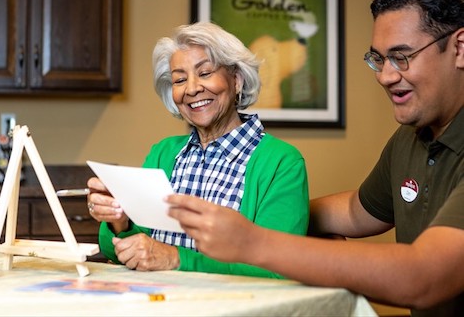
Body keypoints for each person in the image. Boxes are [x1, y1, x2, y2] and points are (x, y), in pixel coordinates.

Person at [167, 0, 464, 316]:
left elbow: (424, 276)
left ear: (459, 48)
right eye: (378, 60)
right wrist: (275, 211)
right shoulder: (411, 137)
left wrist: (255, 241)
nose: (385, 76)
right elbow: (357, 210)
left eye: (402, 57)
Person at [86, 21, 309, 278]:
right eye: (180, 79)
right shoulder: (163, 153)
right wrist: (119, 221)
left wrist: (176, 258)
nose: (191, 89)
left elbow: (280, 267)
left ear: (236, 80)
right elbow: (128, 250)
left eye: (205, 73)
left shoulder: (281, 162)